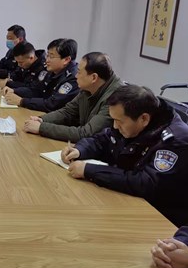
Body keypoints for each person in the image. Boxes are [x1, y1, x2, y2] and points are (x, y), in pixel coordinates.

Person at [61, 84, 188, 226]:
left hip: (161, 218)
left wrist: (89, 170)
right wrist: (79, 150)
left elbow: (146, 183)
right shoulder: (130, 123)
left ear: (144, 119)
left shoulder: (175, 140)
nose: (115, 126)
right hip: (125, 199)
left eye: (119, 121)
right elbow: (103, 139)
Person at [23, 52, 122, 141]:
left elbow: (87, 133)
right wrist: (42, 120)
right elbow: (68, 111)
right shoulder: (89, 87)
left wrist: (42, 128)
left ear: (93, 77)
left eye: (79, 72)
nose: (76, 76)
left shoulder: (115, 97)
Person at [4, 39, 79, 112]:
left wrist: (22, 101)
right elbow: (37, 90)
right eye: (47, 55)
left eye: (51, 57)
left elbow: (53, 104)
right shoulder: (52, 70)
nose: (47, 60)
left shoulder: (74, 78)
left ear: (66, 60)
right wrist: (15, 91)